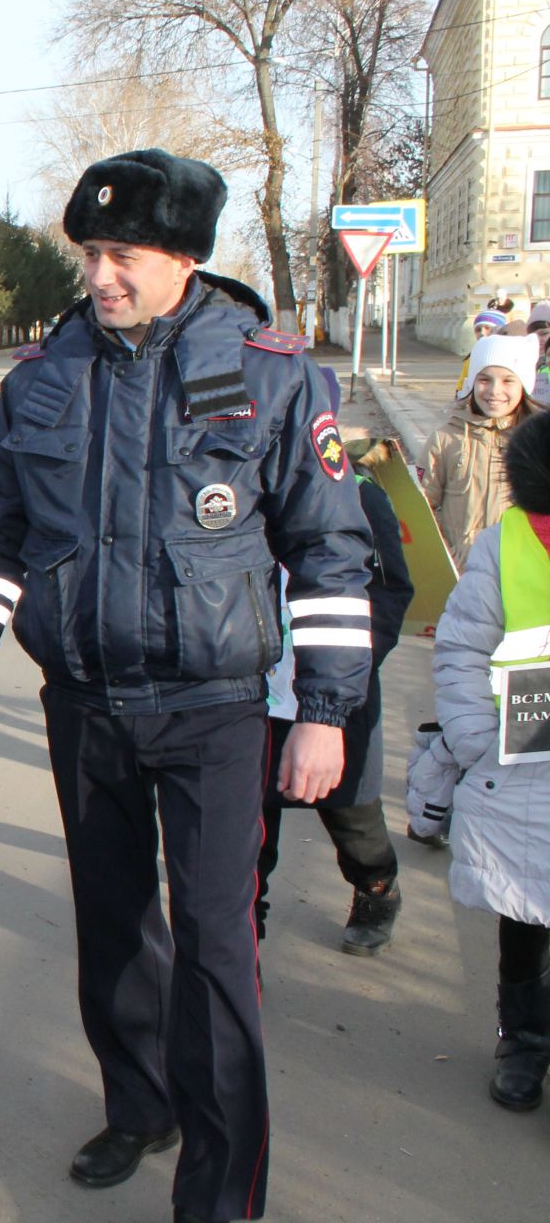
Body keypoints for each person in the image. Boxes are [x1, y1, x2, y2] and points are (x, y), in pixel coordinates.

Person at [0, 149, 374, 1223]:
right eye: (90, 254)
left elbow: (333, 555)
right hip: (83, 704)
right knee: (113, 925)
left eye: (123, 255)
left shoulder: (271, 373)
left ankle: (221, 1192)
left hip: (216, 712)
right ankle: (141, 1100)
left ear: (184, 257)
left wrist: (324, 713)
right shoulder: (42, 376)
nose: (101, 276)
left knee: (217, 954)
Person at [408, 410, 550, 1113]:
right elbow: (462, 649)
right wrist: (471, 739)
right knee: (524, 908)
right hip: (523, 755)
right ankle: (522, 1040)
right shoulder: (509, 545)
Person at [256, 430, 415, 956]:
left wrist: (356, 665)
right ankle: (242, 926)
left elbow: (392, 591)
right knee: (247, 820)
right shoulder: (239, 480)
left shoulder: (361, 493)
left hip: (336, 687)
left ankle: (375, 886)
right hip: (251, 687)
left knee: (351, 816)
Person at [421, 333, 540, 569]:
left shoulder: (535, 444)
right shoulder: (445, 438)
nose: (494, 391)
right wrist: (442, 556)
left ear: (524, 385)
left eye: (508, 381)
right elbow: (423, 506)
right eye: (484, 379)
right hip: (459, 574)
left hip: (518, 573)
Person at [453, 308, 508, 394]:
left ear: (499, 330)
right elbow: (463, 383)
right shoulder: (472, 357)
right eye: (478, 330)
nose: (482, 333)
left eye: (487, 328)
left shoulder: (507, 354)